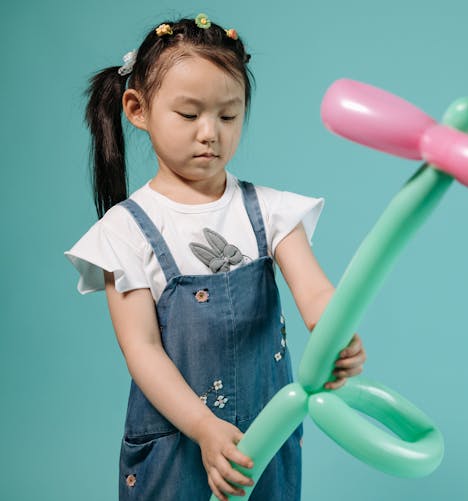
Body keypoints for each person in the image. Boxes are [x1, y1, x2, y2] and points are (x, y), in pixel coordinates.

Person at [64, 14, 366, 501]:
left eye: (228, 115)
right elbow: (141, 350)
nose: (211, 133)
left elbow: (315, 292)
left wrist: (337, 337)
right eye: (189, 115)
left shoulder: (270, 211)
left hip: (262, 441)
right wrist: (204, 427)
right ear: (137, 109)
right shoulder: (125, 232)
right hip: (178, 444)